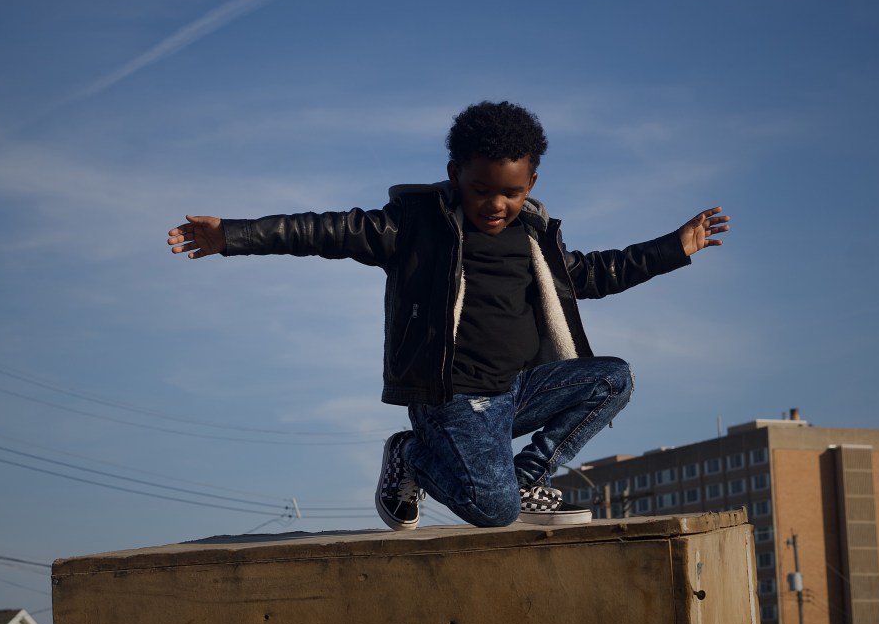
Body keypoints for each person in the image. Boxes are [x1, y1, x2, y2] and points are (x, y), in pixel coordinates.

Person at [167, 101, 729, 531]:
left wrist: (674, 248)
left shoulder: (536, 239)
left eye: (509, 193)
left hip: (517, 391)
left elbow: (598, 273)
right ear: (455, 172)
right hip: (450, 398)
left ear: (531, 183)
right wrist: (234, 236)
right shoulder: (414, 227)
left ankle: (527, 477)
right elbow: (323, 230)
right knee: (494, 512)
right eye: (481, 189)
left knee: (613, 377)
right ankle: (411, 453)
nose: (495, 205)